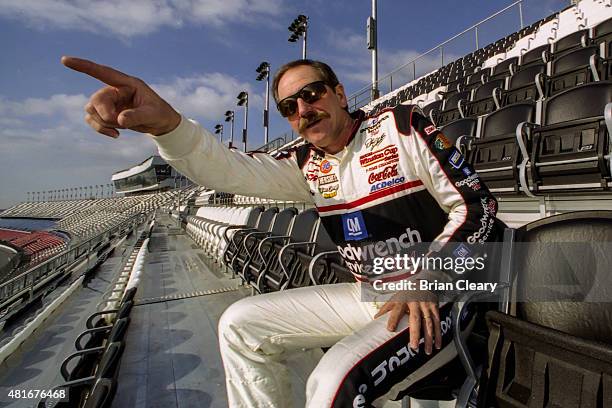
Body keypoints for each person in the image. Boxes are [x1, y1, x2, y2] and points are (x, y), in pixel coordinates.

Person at [62, 56, 501, 407]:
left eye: (311, 94)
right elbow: (229, 170)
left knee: (331, 383)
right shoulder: (305, 164)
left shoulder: (401, 126)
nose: (304, 110)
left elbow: (477, 205)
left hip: (445, 298)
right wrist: (169, 127)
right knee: (240, 325)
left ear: (340, 93)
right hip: (372, 298)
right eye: (290, 107)